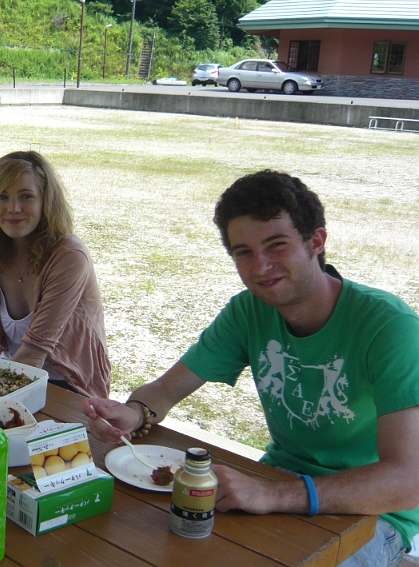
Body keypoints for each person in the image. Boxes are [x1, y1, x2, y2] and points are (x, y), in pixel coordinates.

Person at [84, 170, 419, 566]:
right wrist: (134, 412)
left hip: (372, 515)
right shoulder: (248, 312)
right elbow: (164, 391)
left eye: (276, 245)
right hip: (279, 483)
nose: (260, 267)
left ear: (316, 241)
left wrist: (274, 494)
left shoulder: (387, 325)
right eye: (243, 252)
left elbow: (408, 481)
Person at [0, 151, 111, 398]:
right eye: (3, 196)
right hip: (8, 370)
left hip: (69, 385)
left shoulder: (69, 256)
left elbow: (34, 352)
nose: (13, 208)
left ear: (46, 202)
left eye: (26, 196)